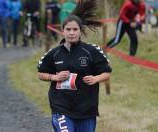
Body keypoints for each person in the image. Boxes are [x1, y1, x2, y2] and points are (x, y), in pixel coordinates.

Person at [37, 0, 112, 132]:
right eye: (68, 29)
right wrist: (55, 77)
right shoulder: (54, 53)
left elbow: (107, 72)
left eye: (75, 29)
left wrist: (95, 79)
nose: (71, 33)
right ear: (63, 31)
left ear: (80, 31)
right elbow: (40, 74)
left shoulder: (91, 51)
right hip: (61, 107)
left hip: (86, 109)